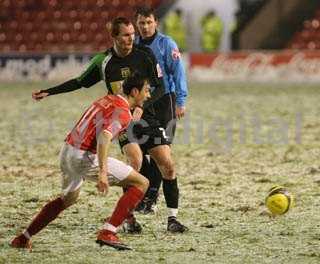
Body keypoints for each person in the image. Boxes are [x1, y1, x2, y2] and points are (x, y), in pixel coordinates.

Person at [31, 17, 186, 233]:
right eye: (125, 34)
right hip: (121, 120)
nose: (131, 38)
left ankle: (173, 219)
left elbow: (159, 85)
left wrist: (143, 106)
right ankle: (128, 218)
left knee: (167, 164)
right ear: (113, 37)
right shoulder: (103, 61)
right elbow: (79, 82)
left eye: (132, 34)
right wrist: (50, 91)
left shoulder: (145, 54)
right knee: (135, 161)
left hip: (147, 117)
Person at [11, 73, 151, 251]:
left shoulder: (108, 99)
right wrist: (102, 172)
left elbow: (104, 123)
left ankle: (23, 238)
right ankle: (108, 232)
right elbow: (104, 137)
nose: (148, 95)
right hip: (83, 156)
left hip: (67, 150)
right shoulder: (122, 112)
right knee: (142, 182)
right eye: (146, 91)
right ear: (134, 91)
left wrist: (131, 119)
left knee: (68, 199)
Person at [134, 5, 188, 228]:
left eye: (149, 23)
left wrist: (181, 101)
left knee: (162, 150)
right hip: (142, 104)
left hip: (166, 100)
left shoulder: (167, 44)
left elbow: (178, 72)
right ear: (137, 25)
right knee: (143, 151)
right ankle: (148, 193)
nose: (145, 27)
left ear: (156, 23)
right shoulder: (134, 45)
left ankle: (151, 198)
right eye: (141, 23)